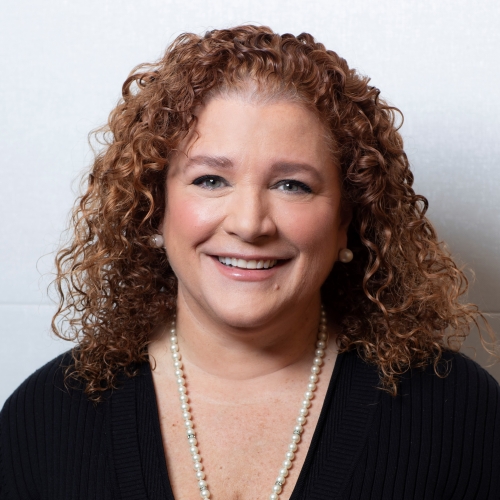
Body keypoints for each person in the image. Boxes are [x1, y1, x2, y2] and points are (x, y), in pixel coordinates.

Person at [1, 25, 499, 500]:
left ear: (346, 219)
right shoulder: (46, 418)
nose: (250, 223)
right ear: (153, 206)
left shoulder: (460, 414)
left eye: (292, 185)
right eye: (210, 179)